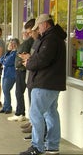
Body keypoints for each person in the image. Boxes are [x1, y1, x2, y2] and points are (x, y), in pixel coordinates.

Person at [19, 14, 67, 155]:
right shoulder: (55, 38)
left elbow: (42, 60)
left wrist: (29, 62)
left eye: (39, 26)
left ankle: (37, 147)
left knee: (36, 114)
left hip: (44, 83)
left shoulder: (50, 39)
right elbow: (44, 58)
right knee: (51, 113)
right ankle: (52, 146)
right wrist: (33, 59)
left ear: (45, 24)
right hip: (52, 83)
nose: (38, 30)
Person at [8, 18, 35, 122]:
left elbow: (24, 55)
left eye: (26, 32)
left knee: (20, 92)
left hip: (23, 70)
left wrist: (21, 62)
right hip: (21, 69)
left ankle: (20, 113)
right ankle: (21, 113)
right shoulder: (27, 42)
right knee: (19, 92)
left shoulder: (29, 42)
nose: (24, 33)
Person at [0, 38, 18, 114]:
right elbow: (1, 59)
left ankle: (8, 107)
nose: (9, 45)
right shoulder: (8, 53)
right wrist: (4, 60)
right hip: (5, 74)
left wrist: (4, 61)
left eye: (10, 44)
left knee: (6, 90)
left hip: (11, 74)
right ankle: (5, 107)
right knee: (5, 91)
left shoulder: (15, 53)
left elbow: (8, 62)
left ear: (14, 45)